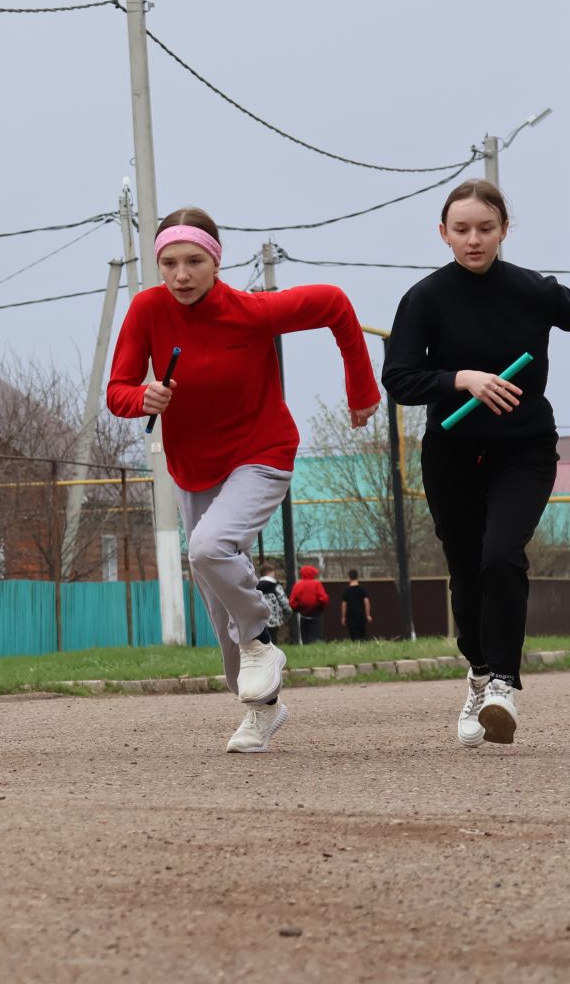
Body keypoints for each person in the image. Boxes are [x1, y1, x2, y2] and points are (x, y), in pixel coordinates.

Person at [107, 209, 379, 754]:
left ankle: (260, 638)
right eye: (169, 264)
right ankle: (262, 708)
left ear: (216, 261)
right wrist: (144, 397)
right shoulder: (147, 309)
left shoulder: (251, 310)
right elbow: (117, 390)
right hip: (194, 467)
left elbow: (334, 304)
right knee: (217, 609)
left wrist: (361, 388)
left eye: (193, 262)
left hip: (262, 452)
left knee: (207, 548)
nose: (181, 275)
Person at [383, 179, 570, 747]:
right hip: (452, 451)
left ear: (503, 231)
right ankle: (479, 673)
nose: (473, 239)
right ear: (443, 234)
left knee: (500, 555)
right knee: (465, 574)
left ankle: (504, 686)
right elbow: (399, 379)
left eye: (485, 228)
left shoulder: (534, 291)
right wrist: (460, 378)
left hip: (525, 448)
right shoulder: (425, 298)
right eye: (461, 229)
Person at [290, 565, 330, 644]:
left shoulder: (298, 585)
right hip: (316, 613)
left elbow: (292, 602)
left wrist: (297, 608)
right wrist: (322, 605)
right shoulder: (317, 584)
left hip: (303, 614)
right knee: (317, 635)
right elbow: (324, 598)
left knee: (305, 636)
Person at [256, 566, 291, 643]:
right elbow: (283, 601)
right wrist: (288, 612)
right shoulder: (275, 585)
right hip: (273, 618)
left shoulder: (255, 586)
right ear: (271, 572)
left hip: (259, 619)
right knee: (273, 639)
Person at [341, 571, 372, 642]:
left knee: (353, 635)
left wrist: (343, 617)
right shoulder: (362, 589)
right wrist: (368, 615)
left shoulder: (346, 591)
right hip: (361, 615)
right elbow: (366, 602)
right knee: (362, 635)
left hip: (350, 616)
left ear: (349, 577)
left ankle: (355, 647)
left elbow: (344, 605)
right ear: (357, 577)